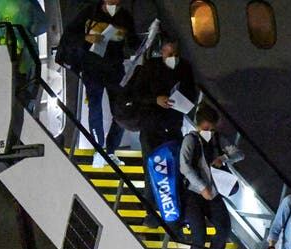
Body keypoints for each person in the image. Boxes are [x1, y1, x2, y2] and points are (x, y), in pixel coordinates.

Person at [132, 37, 196, 227]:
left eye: (176, 54)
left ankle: (175, 217)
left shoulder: (185, 68)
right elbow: (137, 94)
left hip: (173, 125)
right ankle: (151, 214)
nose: (173, 58)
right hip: (151, 127)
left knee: (176, 170)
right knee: (152, 171)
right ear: (162, 52)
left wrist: (183, 100)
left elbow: (191, 93)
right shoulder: (150, 67)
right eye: (169, 54)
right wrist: (155, 99)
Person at [64, 0, 135, 168]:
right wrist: (87, 37)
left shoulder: (124, 16)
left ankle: (110, 150)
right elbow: (70, 34)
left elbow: (133, 42)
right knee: (95, 109)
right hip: (92, 67)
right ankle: (99, 149)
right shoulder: (90, 11)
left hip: (115, 68)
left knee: (122, 111)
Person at [179, 103, 242, 249]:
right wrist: (201, 187)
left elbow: (239, 153)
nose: (210, 131)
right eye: (206, 128)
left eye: (212, 128)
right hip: (193, 194)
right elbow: (185, 167)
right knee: (199, 234)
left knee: (224, 229)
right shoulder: (190, 140)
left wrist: (223, 158)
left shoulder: (217, 139)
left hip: (215, 192)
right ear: (200, 125)